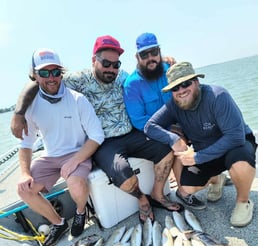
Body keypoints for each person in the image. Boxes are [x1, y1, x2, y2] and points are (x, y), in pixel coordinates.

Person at [11, 36, 184, 224]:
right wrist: (19, 113)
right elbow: (40, 81)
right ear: (94, 60)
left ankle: (158, 194)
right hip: (104, 142)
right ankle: (142, 198)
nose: (111, 69)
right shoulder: (77, 80)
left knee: (167, 150)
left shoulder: (123, 76)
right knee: (123, 176)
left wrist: (166, 59)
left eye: (115, 64)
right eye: (106, 63)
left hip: (133, 133)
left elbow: (143, 72)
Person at [144, 61, 257, 227]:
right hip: (207, 153)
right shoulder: (173, 106)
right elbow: (149, 127)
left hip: (236, 146)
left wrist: (197, 156)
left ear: (196, 81)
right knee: (185, 189)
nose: (181, 91)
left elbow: (235, 136)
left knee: (240, 163)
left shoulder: (218, 96)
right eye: (175, 88)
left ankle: (243, 202)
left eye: (185, 84)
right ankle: (217, 179)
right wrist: (173, 139)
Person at [17, 48, 104, 246]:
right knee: (24, 190)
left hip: (77, 152)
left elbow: (96, 136)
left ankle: (81, 211)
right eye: (44, 73)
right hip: (50, 156)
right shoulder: (30, 107)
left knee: (76, 184)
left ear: (61, 73)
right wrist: (24, 173)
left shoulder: (77, 99)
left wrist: (75, 161)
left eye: (55, 72)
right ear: (35, 76)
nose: (51, 78)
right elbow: (26, 143)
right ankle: (58, 222)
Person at [123, 33, 205, 208]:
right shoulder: (132, 84)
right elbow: (139, 121)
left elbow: (187, 91)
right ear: (137, 57)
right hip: (152, 129)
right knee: (178, 144)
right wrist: (169, 134)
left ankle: (216, 177)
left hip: (179, 123)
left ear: (160, 52)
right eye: (144, 55)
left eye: (154, 52)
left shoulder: (169, 68)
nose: (150, 58)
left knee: (208, 130)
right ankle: (182, 192)